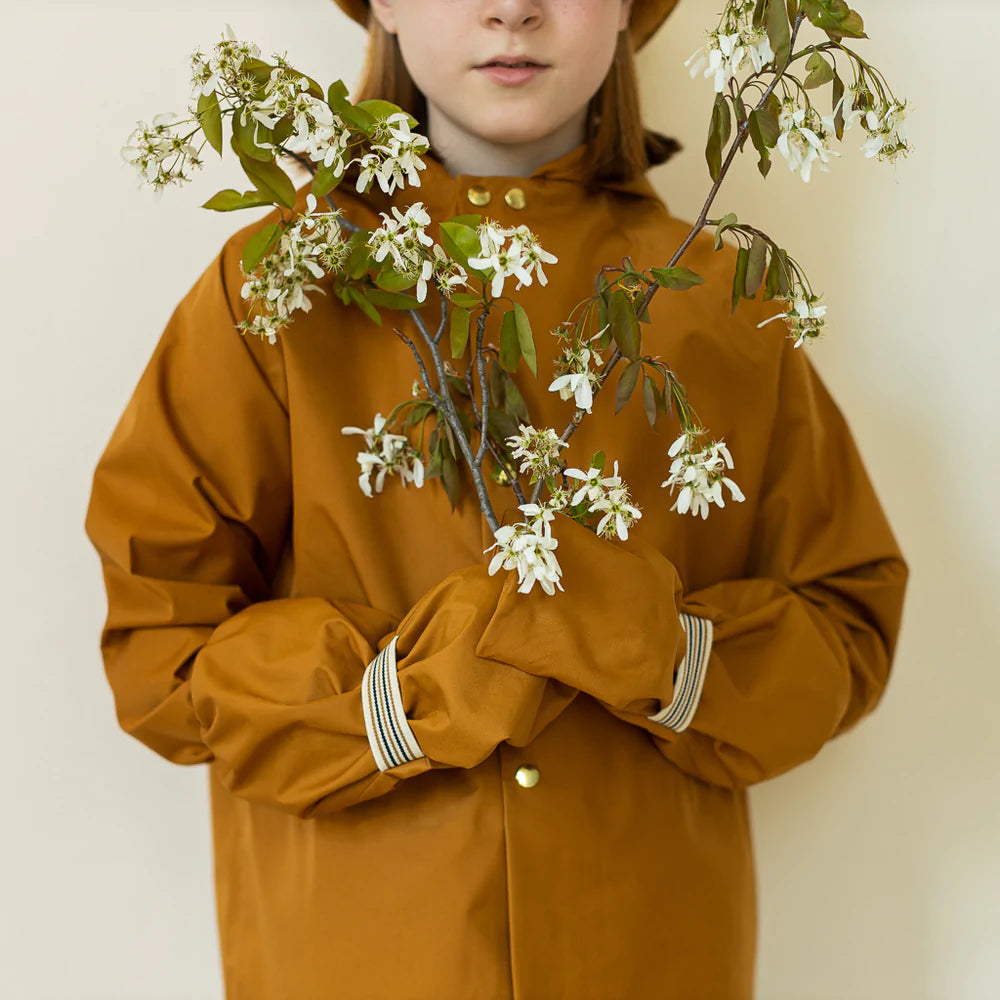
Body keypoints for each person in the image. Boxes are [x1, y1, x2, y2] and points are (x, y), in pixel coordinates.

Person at [84, 0, 909, 997]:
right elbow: (159, 645)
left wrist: (660, 646)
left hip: (649, 956)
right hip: (356, 956)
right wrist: (399, 696)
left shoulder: (721, 299)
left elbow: (846, 622)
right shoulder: (279, 290)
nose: (510, 8)